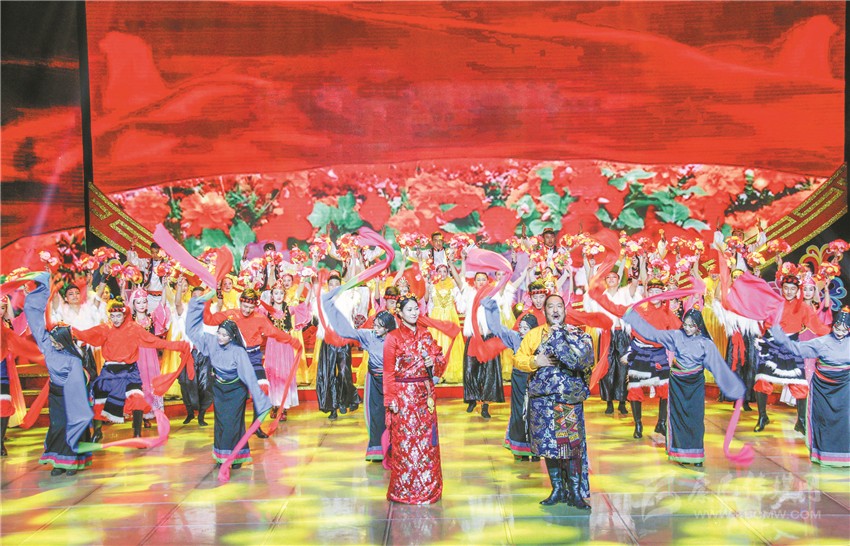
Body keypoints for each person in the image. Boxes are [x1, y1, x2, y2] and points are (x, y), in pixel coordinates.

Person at [624, 307, 745, 467]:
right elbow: (652, 334)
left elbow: (719, 368)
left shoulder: (706, 344)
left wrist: (733, 387)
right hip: (677, 384)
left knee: (695, 420)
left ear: (698, 326)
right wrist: (632, 317)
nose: (687, 328)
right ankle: (679, 453)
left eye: (691, 326)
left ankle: (697, 456)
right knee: (678, 419)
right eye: (685, 325)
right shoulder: (676, 336)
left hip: (695, 385)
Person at [514, 294, 595, 508]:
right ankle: (557, 489)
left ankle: (575, 492)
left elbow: (585, 360)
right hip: (543, 402)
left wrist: (562, 341)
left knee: (572, 446)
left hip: (568, 400)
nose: (556, 310)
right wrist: (535, 361)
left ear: (565, 310)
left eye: (559, 306)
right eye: (551, 307)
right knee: (548, 446)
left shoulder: (576, 334)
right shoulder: (534, 335)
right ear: (545, 311)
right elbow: (518, 359)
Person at [73, 297, 188, 440]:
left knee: (137, 398)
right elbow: (85, 334)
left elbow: (154, 341)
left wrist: (177, 345)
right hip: (110, 371)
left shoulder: (134, 328)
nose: (115, 319)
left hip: (129, 371)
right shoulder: (105, 328)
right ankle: (97, 431)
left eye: (118, 316)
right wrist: (67, 329)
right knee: (100, 396)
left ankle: (137, 433)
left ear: (124, 315)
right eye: (113, 316)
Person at [186, 296, 272, 469]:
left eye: (225, 335)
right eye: (219, 333)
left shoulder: (238, 351)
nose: (220, 337)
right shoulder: (211, 341)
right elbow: (192, 330)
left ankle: (236, 456)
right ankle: (221, 457)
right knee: (221, 423)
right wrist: (197, 304)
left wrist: (260, 398)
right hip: (219, 389)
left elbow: (249, 377)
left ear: (232, 337)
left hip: (236, 391)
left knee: (233, 423)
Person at [203, 287, 301, 437]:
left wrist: (291, 340)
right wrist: (206, 299)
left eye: (250, 307)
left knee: (263, 389)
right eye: (245, 306)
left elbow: (275, 332)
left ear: (255, 306)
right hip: (236, 360)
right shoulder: (231, 315)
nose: (247, 310)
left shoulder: (260, 318)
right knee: (238, 395)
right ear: (240, 302)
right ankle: (235, 428)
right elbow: (209, 320)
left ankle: (256, 426)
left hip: (254, 358)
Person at [24, 275, 94, 475]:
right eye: (51, 337)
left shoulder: (74, 359)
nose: (51, 340)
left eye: (56, 338)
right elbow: (36, 323)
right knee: (57, 426)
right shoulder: (48, 347)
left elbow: (81, 382)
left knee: (72, 426)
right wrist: (40, 291)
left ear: (64, 341)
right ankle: (58, 461)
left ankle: (72, 462)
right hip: (56, 394)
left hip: (72, 397)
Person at [382, 295, 446, 504]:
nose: (414, 313)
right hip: (403, 397)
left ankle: (428, 488)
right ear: (400, 313)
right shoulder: (393, 337)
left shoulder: (426, 335)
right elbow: (388, 371)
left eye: (416, 309)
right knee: (405, 443)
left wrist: (432, 362)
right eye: (409, 310)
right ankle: (404, 489)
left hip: (424, 396)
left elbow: (440, 360)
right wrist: (391, 398)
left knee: (426, 443)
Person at [767, 306, 849, 467]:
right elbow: (797, 349)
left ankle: (845, 456)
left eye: (844, 329)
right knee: (823, 421)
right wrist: (780, 336)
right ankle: (823, 455)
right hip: (823, 389)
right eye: (837, 327)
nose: (840, 331)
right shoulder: (822, 341)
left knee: (845, 421)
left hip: (845, 388)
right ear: (833, 326)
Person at [325, 288, 397, 461]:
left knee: (394, 414)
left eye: (379, 326)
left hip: (392, 381)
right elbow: (345, 331)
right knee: (376, 414)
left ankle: (395, 449)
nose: (375, 328)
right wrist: (329, 307)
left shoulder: (396, 339)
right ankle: (377, 450)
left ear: (388, 328)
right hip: (374, 380)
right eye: (375, 324)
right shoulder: (368, 335)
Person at [753, 275, 829, 433]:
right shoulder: (774, 305)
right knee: (762, 380)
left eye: (793, 289)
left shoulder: (803, 307)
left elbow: (817, 326)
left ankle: (801, 421)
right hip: (772, 344)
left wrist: (834, 335)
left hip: (792, 346)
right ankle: (762, 416)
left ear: (797, 290)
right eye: (786, 288)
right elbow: (763, 323)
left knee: (799, 384)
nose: (789, 292)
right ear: (782, 288)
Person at [625, 279, 681, 439]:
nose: (654, 295)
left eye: (658, 292)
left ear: (663, 294)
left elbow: (678, 331)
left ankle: (661, 423)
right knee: (635, 386)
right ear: (647, 293)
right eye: (651, 292)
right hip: (640, 352)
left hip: (658, 353)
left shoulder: (667, 312)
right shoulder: (639, 309)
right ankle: (638, 424)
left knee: (665, 387)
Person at [458, 272, 504, 418]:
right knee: (470, 370)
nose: (481, 282)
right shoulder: (469, 295)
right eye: (478, 279)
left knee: (489, 372)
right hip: (474, 338)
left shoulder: (493, 296)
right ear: (474, 282)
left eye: (484, 279)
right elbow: (459, 282)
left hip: (489, 338)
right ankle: (472, 399)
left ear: (488, 281)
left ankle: (485, 405)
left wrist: (509, 273)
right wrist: (452, 264)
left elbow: (502, 289)